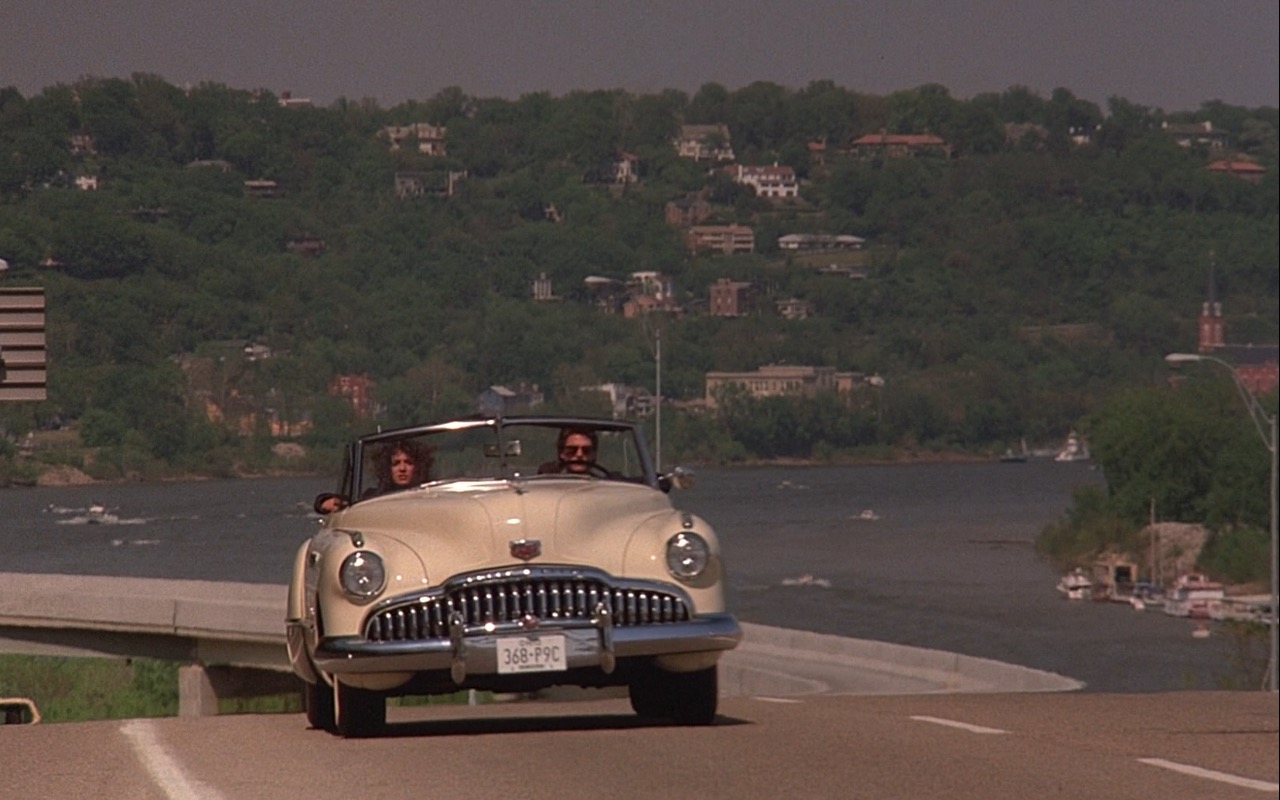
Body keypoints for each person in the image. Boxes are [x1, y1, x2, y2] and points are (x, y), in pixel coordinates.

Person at [315, 438, 434, 513]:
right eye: (396, 464)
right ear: (388, 468)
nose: (402, 469)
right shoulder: (374, 496)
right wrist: (327, 503)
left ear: (418, 466)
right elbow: (348, 503)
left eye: (408, 462)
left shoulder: (432, 493)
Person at [538, 427, 605, 475]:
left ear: (594, 454)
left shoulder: (605, 485)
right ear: (561, 453)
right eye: (572, 450)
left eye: (586, 450)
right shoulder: (547, 481)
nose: (579, 454)